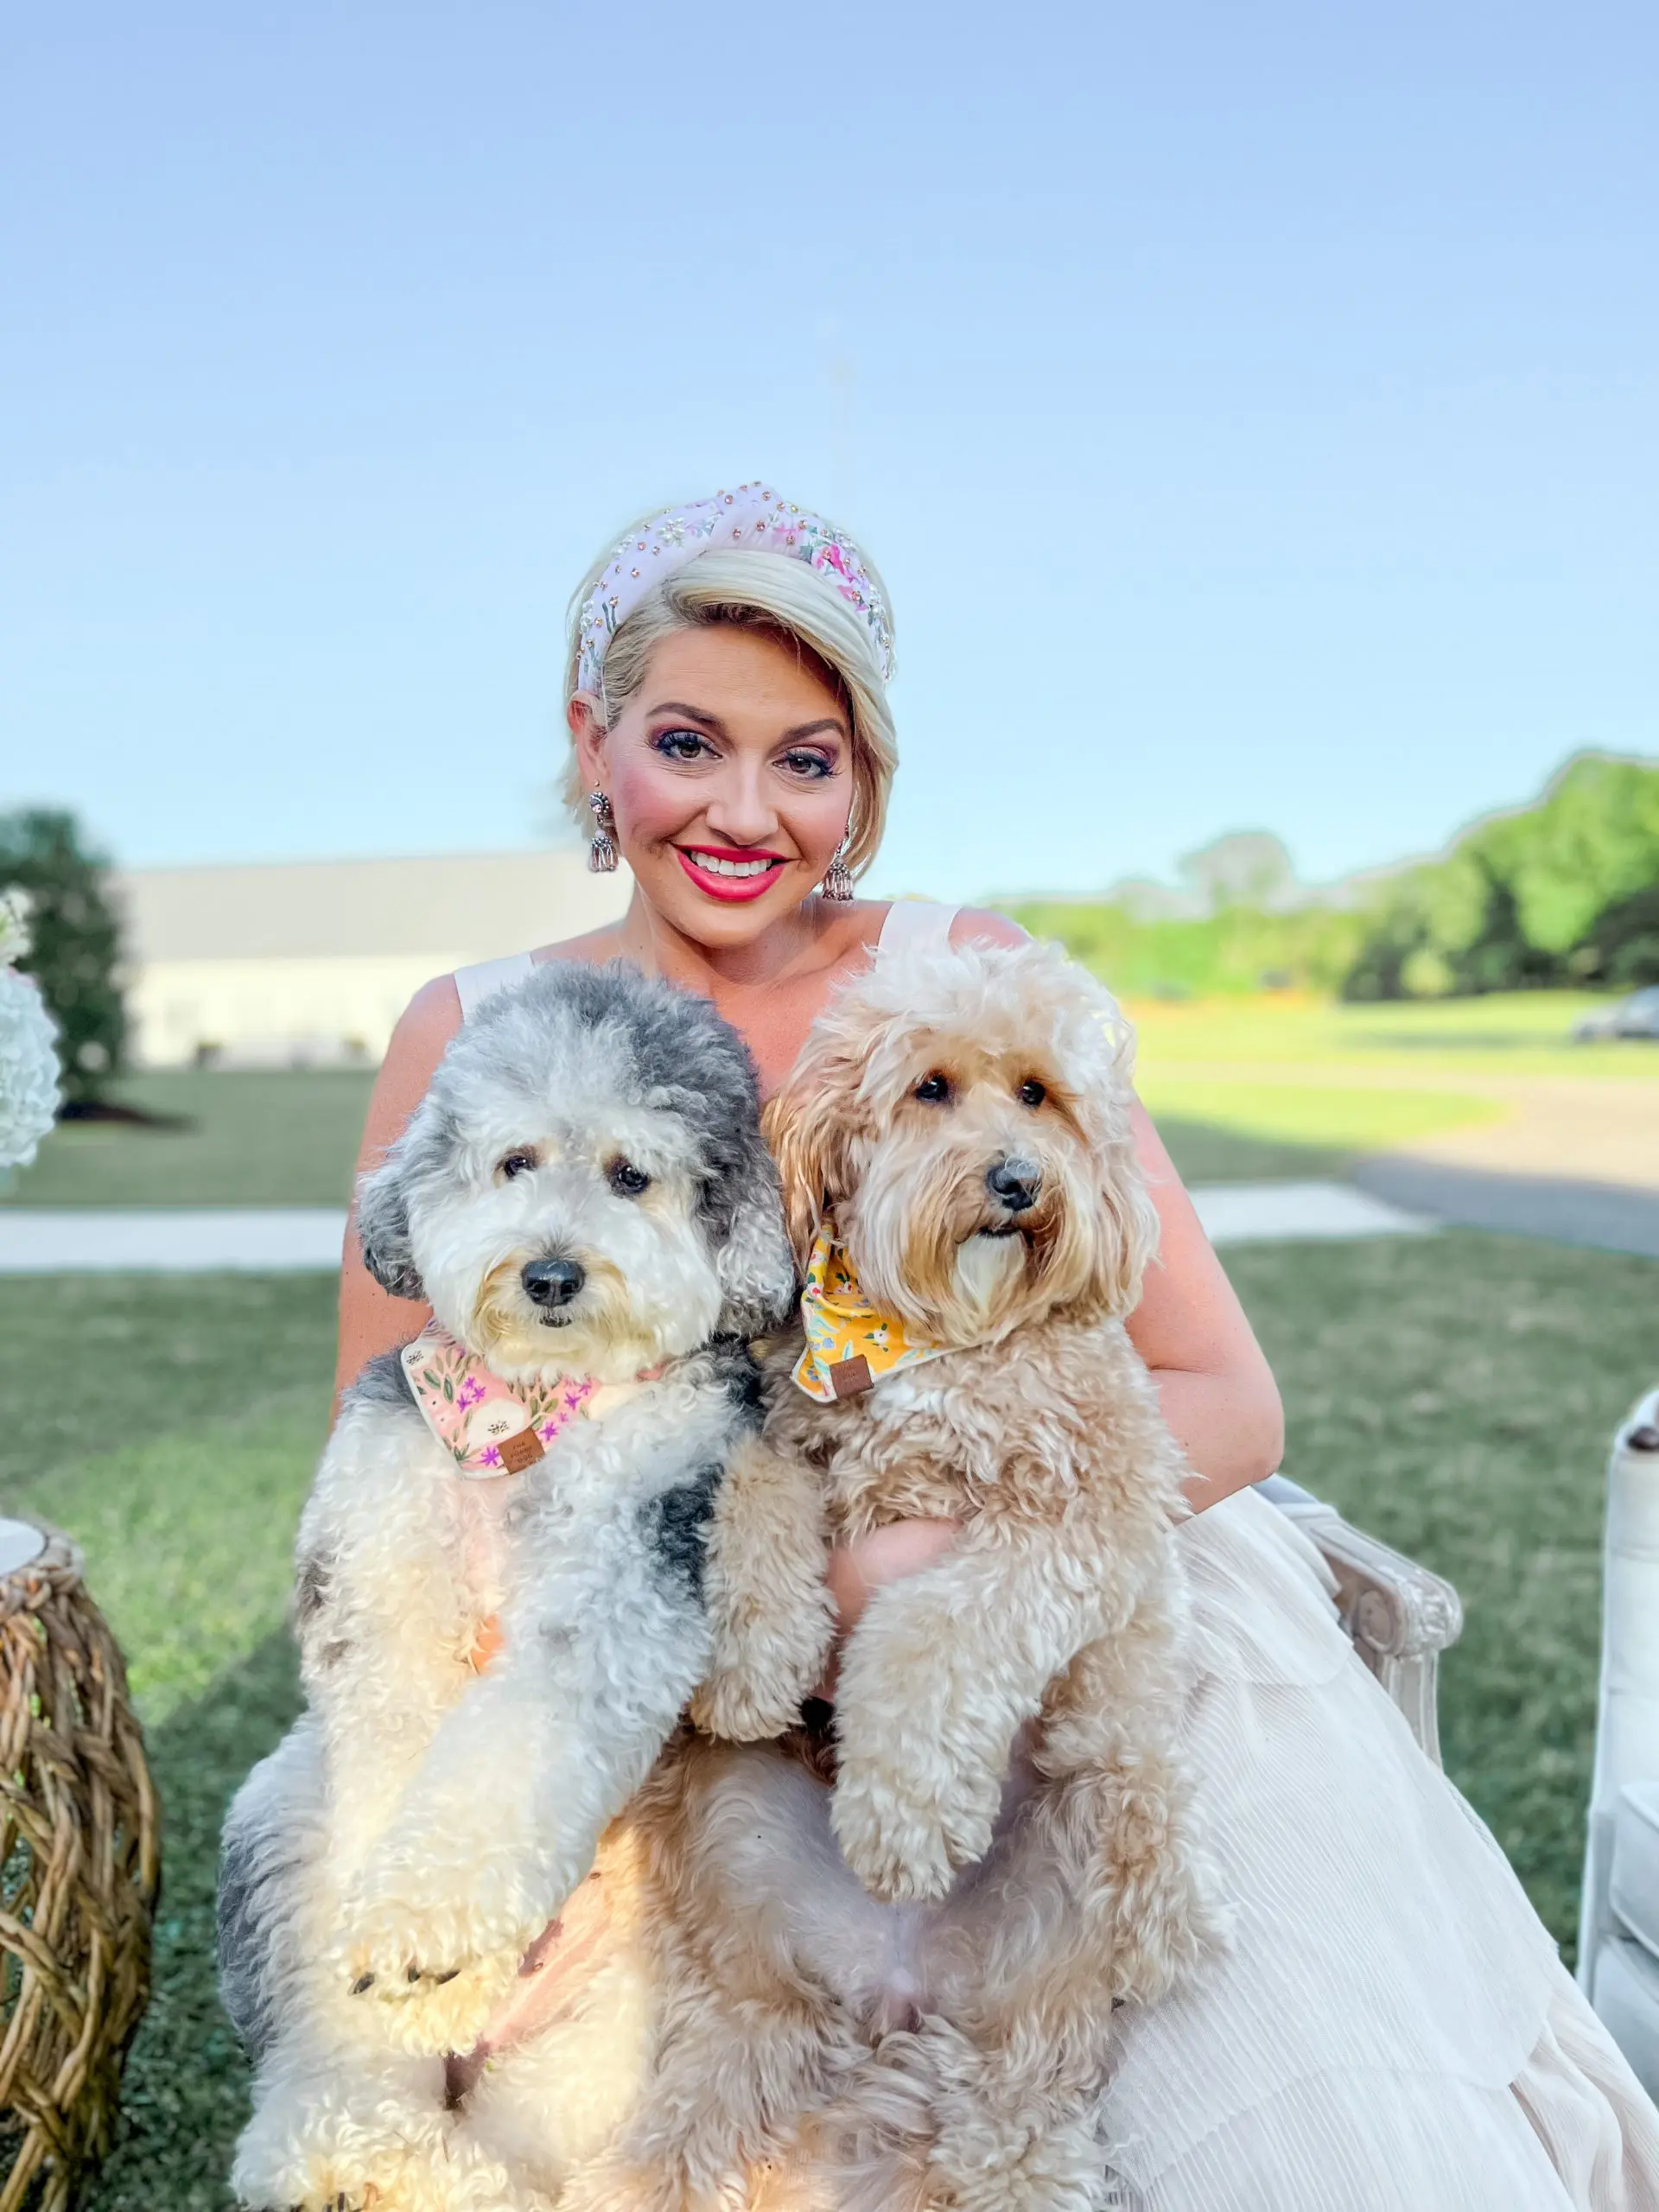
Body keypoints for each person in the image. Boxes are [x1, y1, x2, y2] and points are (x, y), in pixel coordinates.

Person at [335, 484, 1659, 2208]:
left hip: (1065, 1580)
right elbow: (397, 1457)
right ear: (594, 743)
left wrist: (897, 1573)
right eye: (688, 743)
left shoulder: (973, 972)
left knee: (1295, 2097)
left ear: (867, 782)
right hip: (672, 1667)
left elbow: (1228, 1398)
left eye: (807, 759)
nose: (747, 812)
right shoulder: (469, 1025)